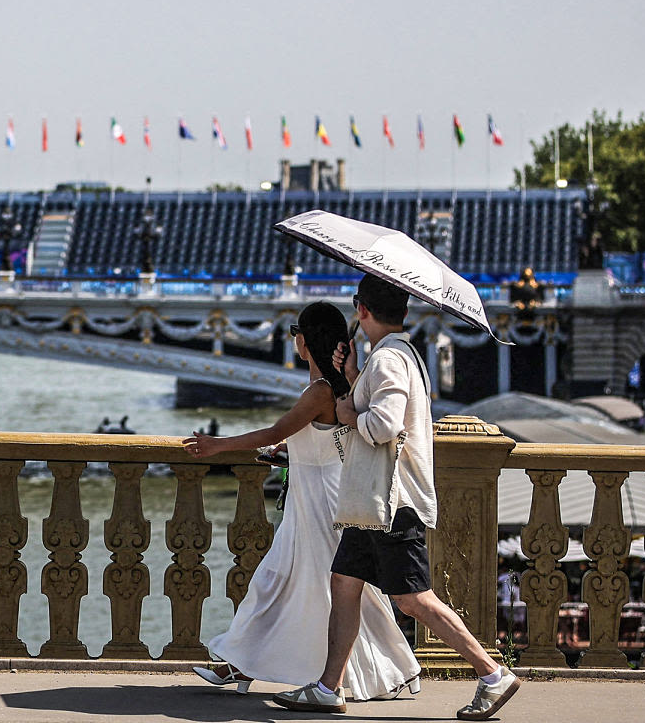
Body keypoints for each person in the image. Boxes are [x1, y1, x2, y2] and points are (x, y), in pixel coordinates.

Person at [272, 275, 520, 720]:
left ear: (362, 309)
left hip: (390, 502)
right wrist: (352, 377)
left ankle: (492, 673)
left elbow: (383, 426)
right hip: (372, 502)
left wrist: (347, 411)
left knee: (413, 599)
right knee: (343, 583)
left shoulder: (388, 360)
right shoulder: (394, 356)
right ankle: (330, 686)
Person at [182, 300, 421, 701]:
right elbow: (314, 440)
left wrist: (215, 446)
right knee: (287, 583)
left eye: (297, 335)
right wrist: (286, 452)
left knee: (310, 587)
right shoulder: (338, 387)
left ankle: (388, 669)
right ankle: (240, 663)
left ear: (304, 342)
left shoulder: (319, 391)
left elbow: (275, 430)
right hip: (318, 494)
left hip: (319, 504)